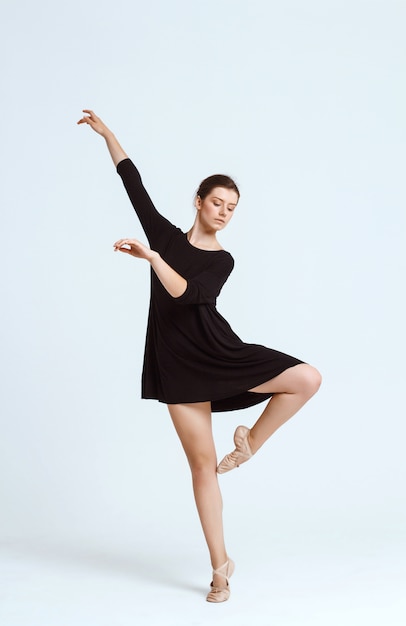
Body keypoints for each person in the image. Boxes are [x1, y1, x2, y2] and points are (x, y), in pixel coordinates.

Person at [77, 109, 322, 603]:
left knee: (307, 378)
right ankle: (220, 569)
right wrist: (109, 135)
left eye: (232, 207)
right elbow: (133, 183)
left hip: (219, 351)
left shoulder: (222, 259)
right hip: (178, 366)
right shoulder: (166, 236)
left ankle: (251, 440)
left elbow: (187, 294)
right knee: (202, 467)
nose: (225, 212)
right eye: (217, 202)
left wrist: (151, 259)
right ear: (199, 201)